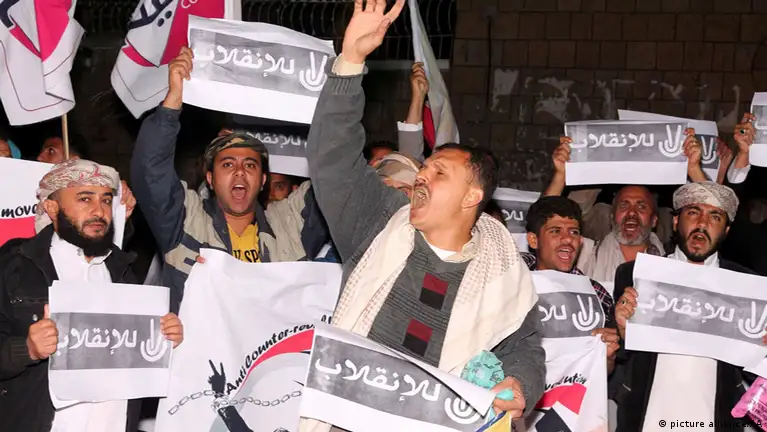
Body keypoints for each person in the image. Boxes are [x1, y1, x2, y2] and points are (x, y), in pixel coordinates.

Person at [301, 1, 543, 430]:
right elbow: (332, 158)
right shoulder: (378, 222)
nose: (421, 177)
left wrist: (520, 383)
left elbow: (523, 348)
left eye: (439, 172)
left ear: (472, 197)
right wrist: (350, 60)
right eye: (423, 168)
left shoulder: (503, 271)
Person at [131, 48, 329, 311]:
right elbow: (151, 171)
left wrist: (339, 93)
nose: (239, 172)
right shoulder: (186, 220)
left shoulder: (290, 225)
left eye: (250, 165)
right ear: (210, 179)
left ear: (263, 180)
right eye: (227, 164)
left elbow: (334, 180)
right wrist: (173, 100)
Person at [0, 159, 183, 432]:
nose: (99, 211)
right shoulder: (15, 266)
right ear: (52, 208)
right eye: (85, 199)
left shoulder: (124, 271)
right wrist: (27, 349)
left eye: (106, 200)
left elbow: (139, 357)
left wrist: (167, 337)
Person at [613, 181, 762, 432]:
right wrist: (622, 331)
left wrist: (762, 349)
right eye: (693, 213)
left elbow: (751, 370)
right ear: (675, 222)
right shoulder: (635, 274)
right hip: (647, 419)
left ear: (726, 230)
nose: (702, 223)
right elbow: (616, 357)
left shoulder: (746, 286)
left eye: (715, 217)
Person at [521, 196, 618, 372]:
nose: (567, 240)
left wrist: (608, 357)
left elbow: (604, 372)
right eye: (555, 231)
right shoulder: (513, 280)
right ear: (533, 240)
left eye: (574, 232)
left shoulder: (596, 295)